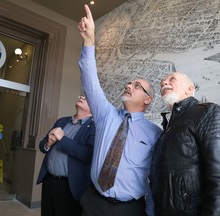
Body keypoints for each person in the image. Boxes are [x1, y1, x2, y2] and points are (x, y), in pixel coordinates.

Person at [77, 5, 162, 216]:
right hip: (93, 203)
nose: (128, 86)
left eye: (136, 86)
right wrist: (89, 40)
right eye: (128, 83)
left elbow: (157, 176)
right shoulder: (106, 115)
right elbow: (90, 81)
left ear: (147, 99)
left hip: (129, 209)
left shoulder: (155, 133)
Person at [150, 72, 220, 215]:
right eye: (162, 82)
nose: (164, 83)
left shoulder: (207, 112)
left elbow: (217, 175)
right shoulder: (168, 126)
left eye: (172, 79)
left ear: (189, 89)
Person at [36, 95, 96, 216]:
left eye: (86, 98)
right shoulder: (62, 121)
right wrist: (49, 143)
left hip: (68, 185)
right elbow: (42, 145)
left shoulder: (94, 127)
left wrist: (62, 139)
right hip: (48, 180)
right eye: (81, 96)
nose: (82, 97)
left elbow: (87, 155)